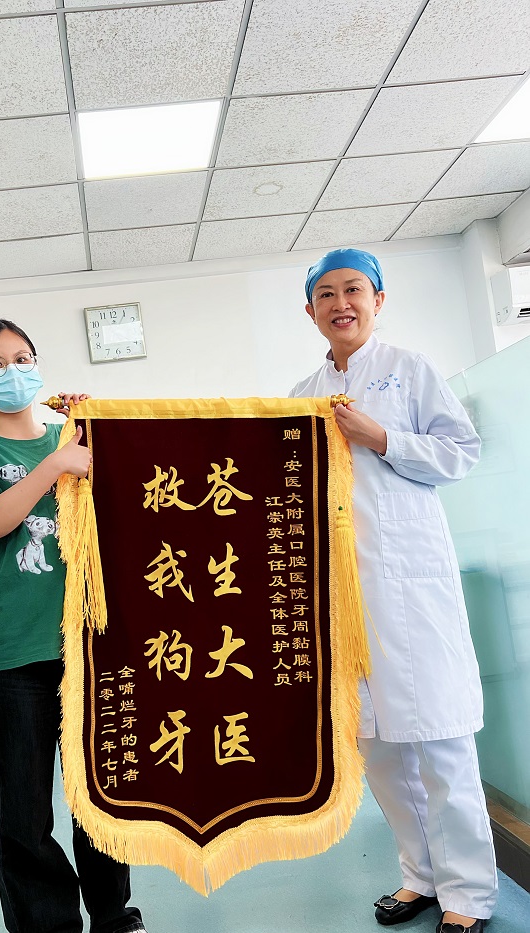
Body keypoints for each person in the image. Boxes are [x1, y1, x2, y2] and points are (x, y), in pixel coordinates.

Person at [289, 249, 496, 933]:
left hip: (413, 589)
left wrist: (383, 438)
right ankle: (421, 876)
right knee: (378, 748)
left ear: (378, 300)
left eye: (353, 289)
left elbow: (461, 451)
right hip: (344, 599)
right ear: (311, 311)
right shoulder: (301, 395)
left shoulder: (410, 370)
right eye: (326, 294)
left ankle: (469, 894)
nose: (340, 303)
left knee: (440, 742)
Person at [0, 317, 147, 933]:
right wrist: (56, 463)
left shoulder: (76, 436)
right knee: (23, 815)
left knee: (100, 801)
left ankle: (114, 917)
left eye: (23, 358)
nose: (12, 371)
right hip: (14, 657)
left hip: (91, 651)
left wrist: (89, 429)